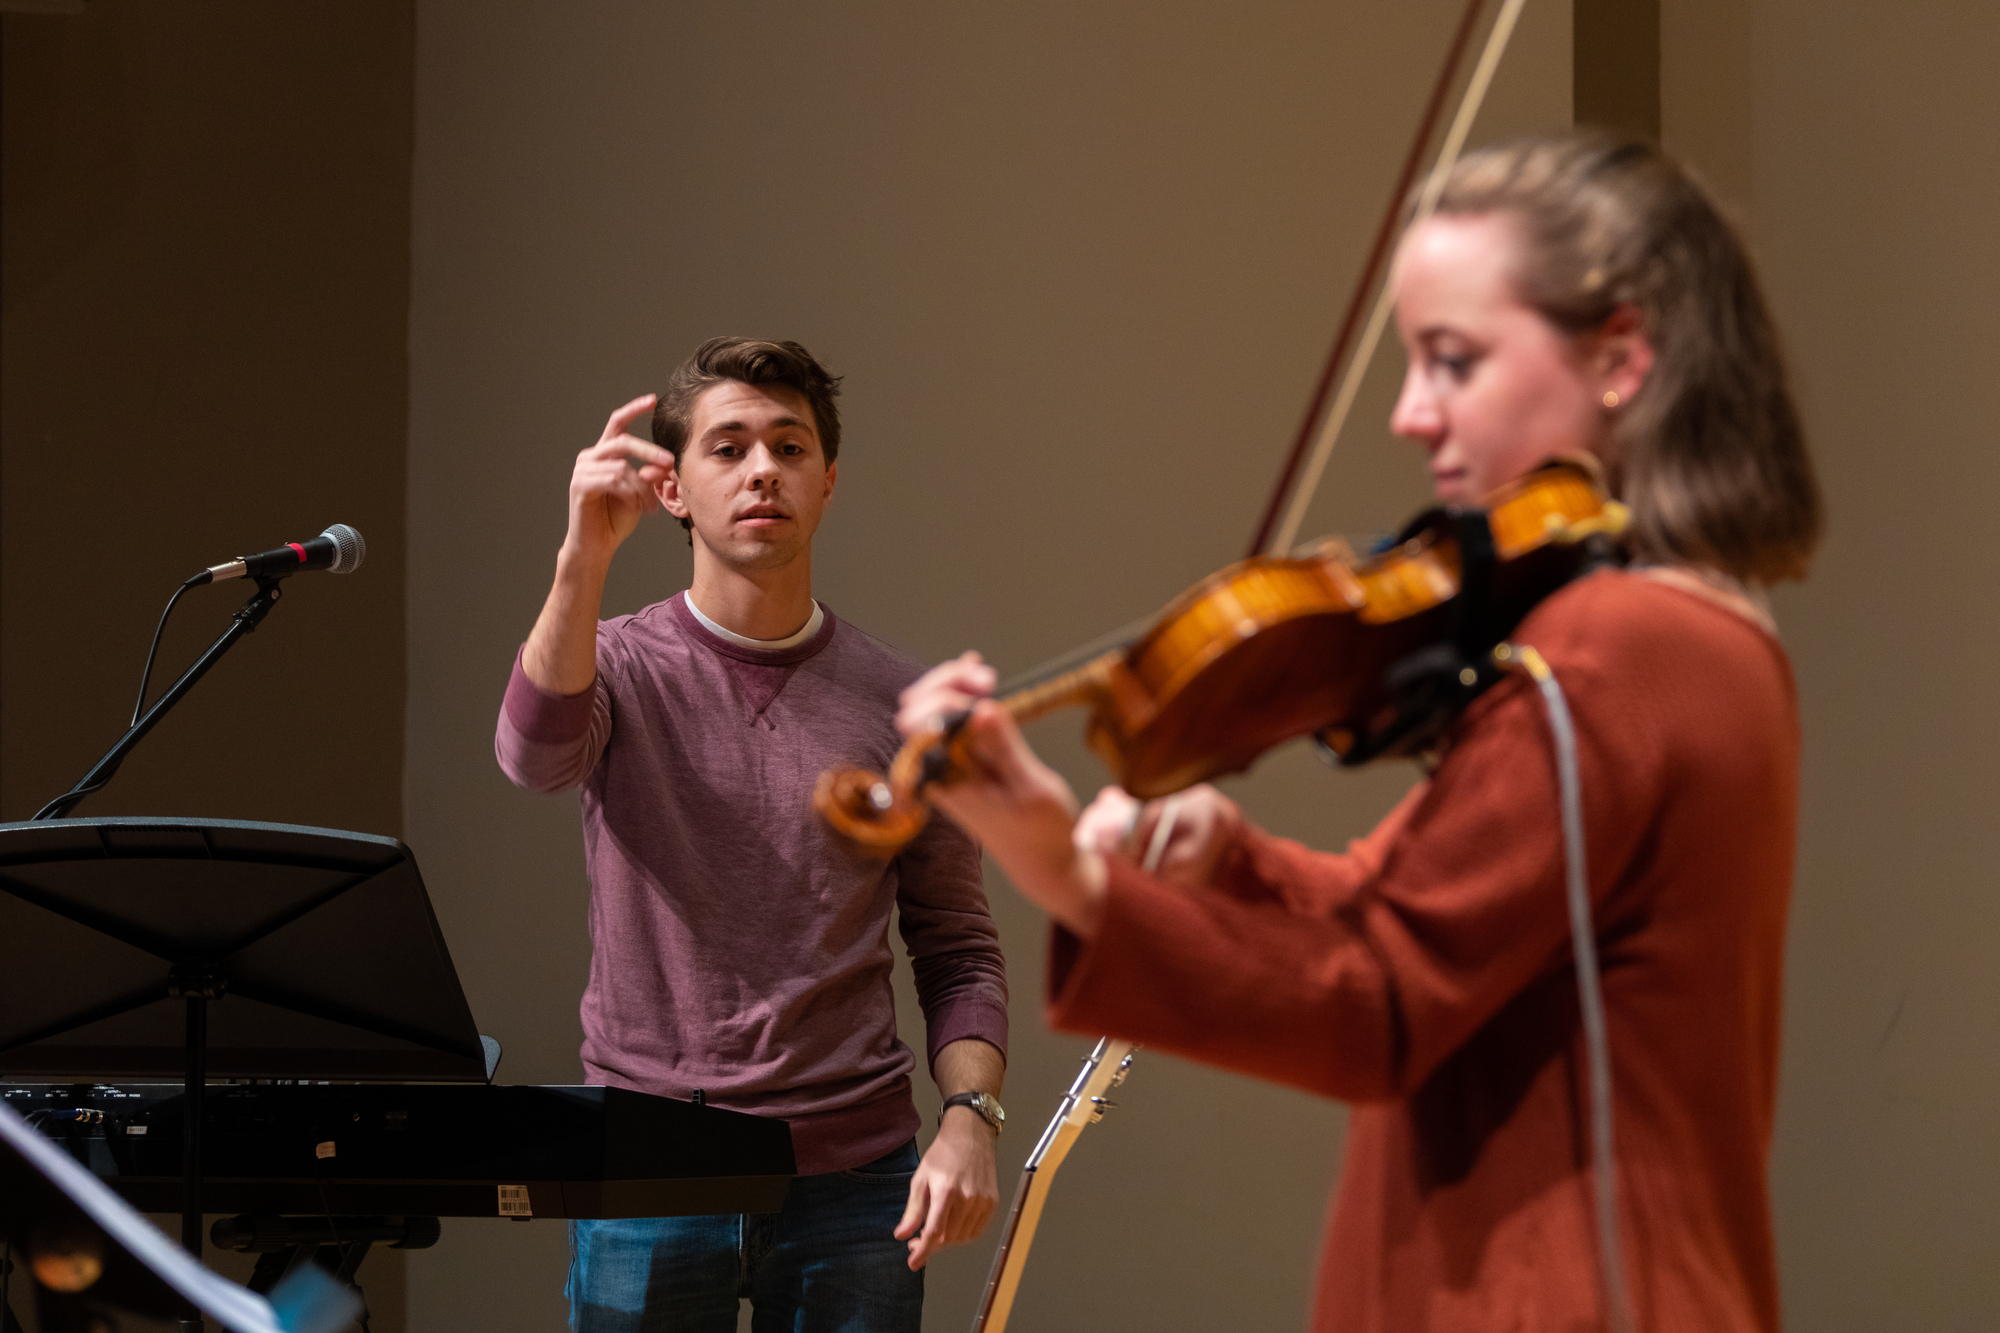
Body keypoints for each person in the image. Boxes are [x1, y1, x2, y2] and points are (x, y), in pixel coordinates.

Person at [896, 132, 1820, 1332]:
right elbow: (1443, 922)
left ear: (1621, 356)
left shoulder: (1605, 654)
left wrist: (1063, 873)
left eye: (1451, 361)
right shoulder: (1711, 636)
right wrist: (1232, 863)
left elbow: (1383, 1002)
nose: (1405, 415)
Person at [495, 337, 1010, 1332]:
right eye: (727, 447)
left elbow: (957, 949)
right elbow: (532, 759)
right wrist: (581, 554)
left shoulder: (904, 700)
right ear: (673, 488)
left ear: (827, 484)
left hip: (856, 1179)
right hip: (648, 1165)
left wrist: (968, 1121)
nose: (762, 467)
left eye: (788, 445)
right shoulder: (615, 662)